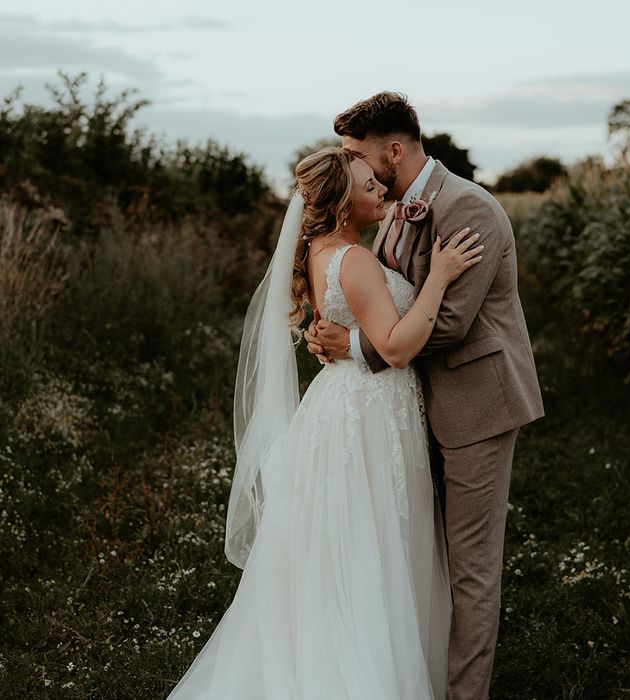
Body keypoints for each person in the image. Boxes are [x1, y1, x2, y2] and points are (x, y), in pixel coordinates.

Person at [165, 146, 483, 699]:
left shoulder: (320, 249)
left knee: (346, 541)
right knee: (375, 540)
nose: (381, 188)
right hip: (371, 412)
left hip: (343, 405)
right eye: (368, 186)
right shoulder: (355, 260)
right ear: (340, 202)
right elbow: (398, 347)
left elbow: (349, 325)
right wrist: (441, 277)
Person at [305, 92, 545, 700]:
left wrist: (354, 345)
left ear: (392, 149)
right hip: (410, 406)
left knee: (469, 568)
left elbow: (452, 323)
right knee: (420, 554)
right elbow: (378, 296)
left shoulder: (469, 210)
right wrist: (330, 328)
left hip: (476, 405)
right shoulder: (396, 210)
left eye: (357, 153)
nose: (349, 163)